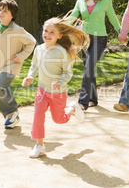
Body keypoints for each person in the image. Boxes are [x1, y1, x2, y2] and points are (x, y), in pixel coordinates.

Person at [22, 17, 90, 158]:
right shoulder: (39, 49)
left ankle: (72, 108)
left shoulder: (60, 52)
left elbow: (68, 72)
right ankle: (39, 145)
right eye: (46, 31)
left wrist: (60, 82)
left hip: (58, 93)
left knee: (59, 119)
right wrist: (30, 77)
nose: (47, 34)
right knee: (37, 116)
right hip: (42, 90)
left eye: (52, 32)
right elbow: (34, 66)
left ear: (59, 36)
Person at [70, 0, 121, 111]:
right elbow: (74, 15)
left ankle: (82, 102)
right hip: (84, 39)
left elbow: (112, 17)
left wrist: (120, 31)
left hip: (100, 38)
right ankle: (93, 99)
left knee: (88, 68)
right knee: (89, 69)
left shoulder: (106, 0)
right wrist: (61, 26)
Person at [0, 0, 36, 129]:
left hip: (12, 65)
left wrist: (21, 56)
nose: (1, 12)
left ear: (13, 15)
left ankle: (12, 112)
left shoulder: (18, 30)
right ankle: (11, 117)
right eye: (0, 10)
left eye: (5, 11)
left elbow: (32, 42)